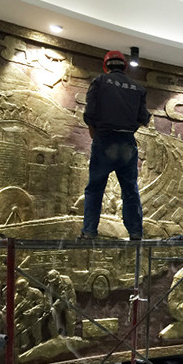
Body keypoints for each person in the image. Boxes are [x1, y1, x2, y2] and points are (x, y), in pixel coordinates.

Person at [79, 50, 151, 240]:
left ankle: (89, 230)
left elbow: (89, 114)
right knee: (130, 189)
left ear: (106, 66)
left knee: (95, 188)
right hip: (127, 143)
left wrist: (95, 131)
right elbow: (144, 118)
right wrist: (129, 128)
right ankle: (136, 232)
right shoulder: (138, 88)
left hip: (104, 140)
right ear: (124, 67)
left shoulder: (99, 82)